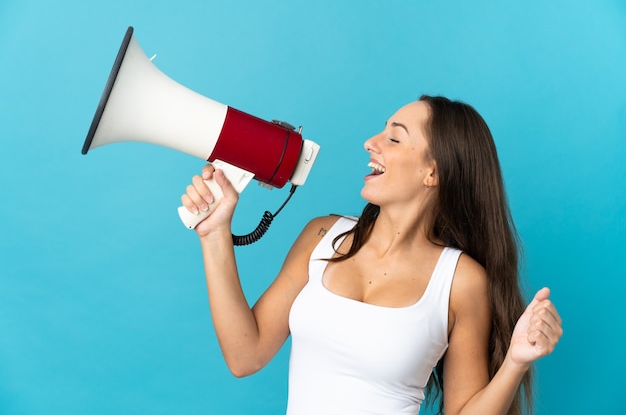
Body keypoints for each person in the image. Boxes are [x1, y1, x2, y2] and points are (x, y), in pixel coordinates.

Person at [180, 95, 563, 415]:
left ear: (433, 172)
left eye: (394, 139)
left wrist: (515, 361)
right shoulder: (321, 236)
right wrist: (214, 235)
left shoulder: (461, 282)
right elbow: (245, 355)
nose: (370, 142)